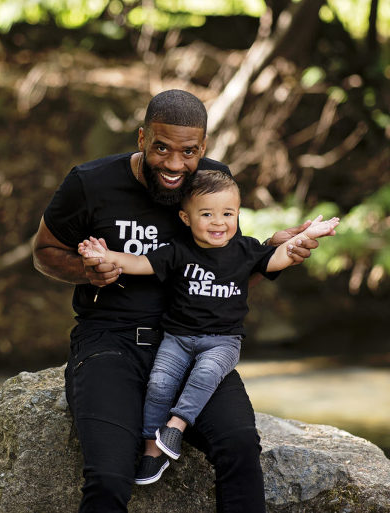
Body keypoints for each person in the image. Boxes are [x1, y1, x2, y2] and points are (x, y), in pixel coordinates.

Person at [32, 89, 321, 513]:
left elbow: (227, 275)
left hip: (196, 341)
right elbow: (44, 253)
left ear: (202, 149)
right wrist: (87, 271)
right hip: (110, 342)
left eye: (188, 152)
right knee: (110, 476)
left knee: (239, 445)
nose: (173, 164)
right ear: (142, 138)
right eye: (161, 148)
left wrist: (269, 254)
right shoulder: (90, 182)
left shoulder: (211, 182)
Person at [77, 169, 339, 485]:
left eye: (227, 213)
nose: (218, 222)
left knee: (205, 374)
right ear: (186, 218)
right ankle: (152, 450)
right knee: (159, 382)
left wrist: (308, 235)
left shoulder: (245, 249)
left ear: (238, 214)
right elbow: (140, 264)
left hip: (223, 341)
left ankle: (176, 426)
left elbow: (280, 256)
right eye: (207, 214)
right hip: (178, 337)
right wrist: (105, 255)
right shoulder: (178, 250)